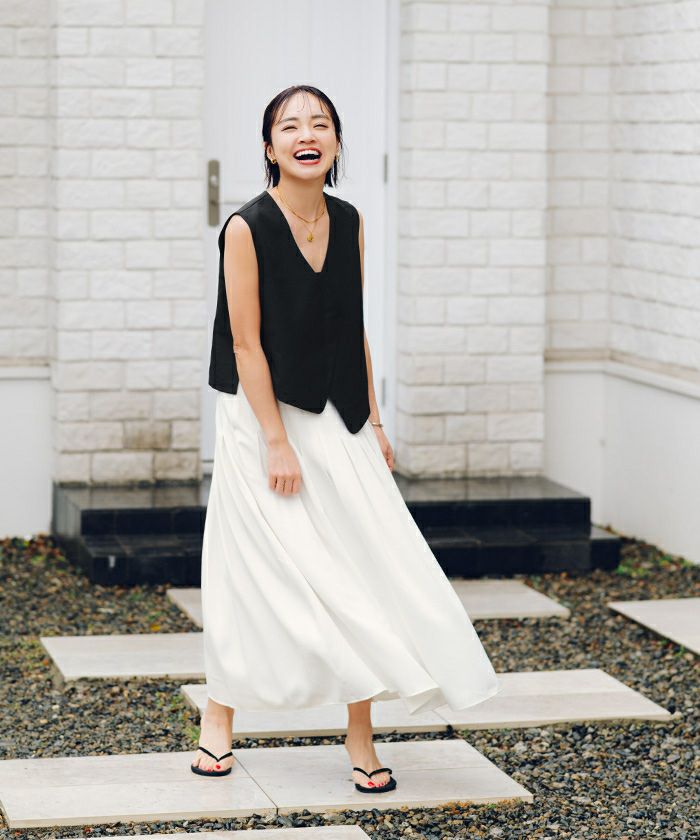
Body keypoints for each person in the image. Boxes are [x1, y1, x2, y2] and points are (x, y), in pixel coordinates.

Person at [190, 85, 502, 793]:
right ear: (270, 147)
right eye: (290, 126)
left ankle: (361, 735)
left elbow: (352, 323)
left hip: (340, 410)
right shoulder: (245, 228)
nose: (307, 134)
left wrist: (376, 423)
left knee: (362, 561)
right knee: (253, 566)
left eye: (320, 124)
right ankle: (219, 715)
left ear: (335, 143)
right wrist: (275, 441)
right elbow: (245, 342)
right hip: (260, 413)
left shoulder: (351, 219)